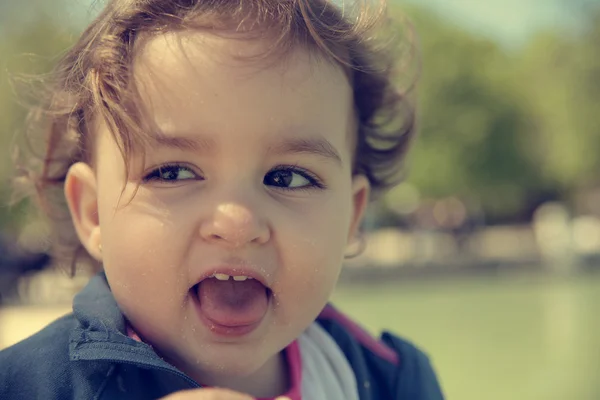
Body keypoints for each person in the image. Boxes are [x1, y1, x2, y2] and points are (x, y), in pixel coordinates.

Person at [0, 0, 444, 399]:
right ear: (94, 213)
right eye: (173, 172)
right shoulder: (27, 384)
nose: (237, 222)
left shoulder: (389, 383)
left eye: (288, 177)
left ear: (351, 217)